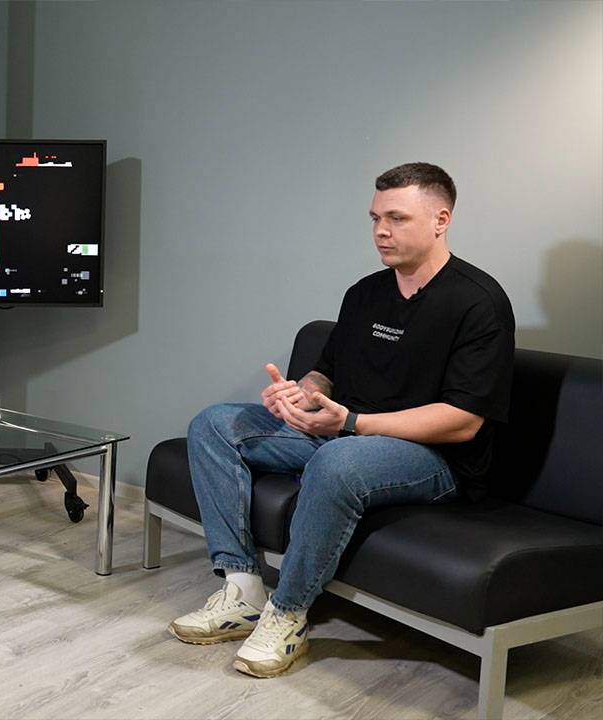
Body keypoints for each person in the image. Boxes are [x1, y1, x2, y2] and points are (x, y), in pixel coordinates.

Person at [169, 163, 514, 678]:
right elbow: (326, 373)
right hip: (342, 433)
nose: (381, 231)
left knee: (338, 462)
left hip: (436, 460)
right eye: (375, 218)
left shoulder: (478, 303)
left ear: (441, 220)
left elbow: (462, 421)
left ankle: (287, 613)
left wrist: (351, 423)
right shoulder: (365, 293)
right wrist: (303, 395)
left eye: (397, 218)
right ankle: (241, 589)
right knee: (214, 424)